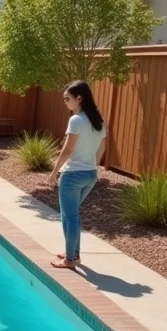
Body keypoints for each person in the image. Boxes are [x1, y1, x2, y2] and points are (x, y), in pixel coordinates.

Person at [49, 80, 108, 270]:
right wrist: (94, 165)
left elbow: (67, 150)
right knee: (69, 215)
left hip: (72, 175)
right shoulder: (99, 121)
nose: (65, 102)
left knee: (70, 216)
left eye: (67, 98)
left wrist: (53, 173)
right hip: (90, 175)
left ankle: (70, 259)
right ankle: (72, 254)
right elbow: (102, 147)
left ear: (79, 98)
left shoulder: (76, 120)